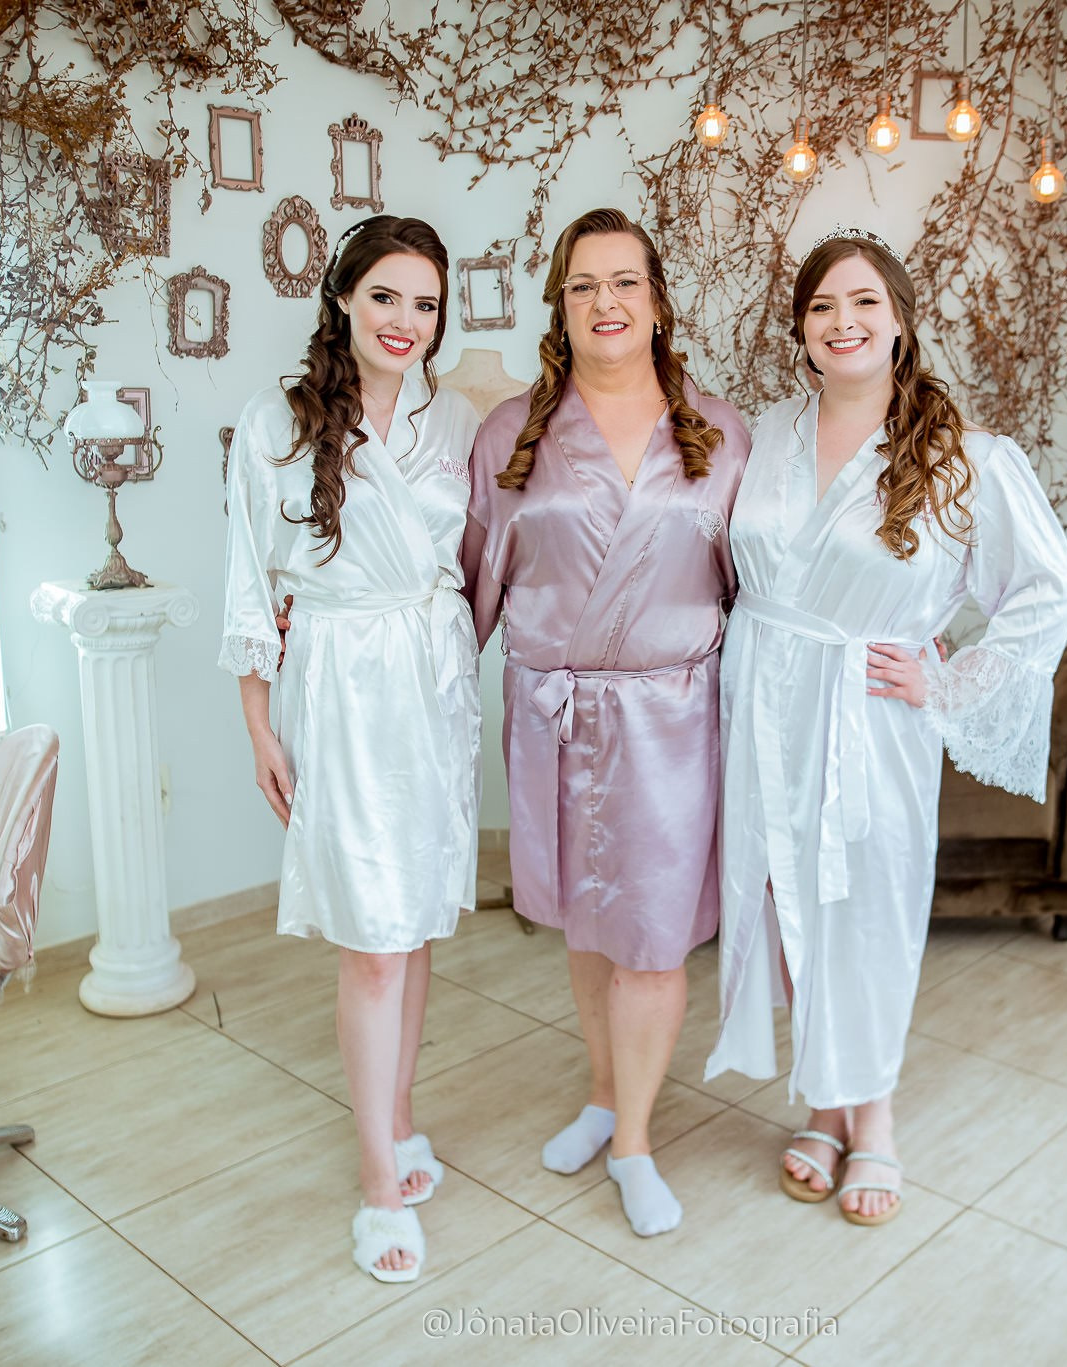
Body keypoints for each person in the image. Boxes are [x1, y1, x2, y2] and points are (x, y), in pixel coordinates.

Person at [703, 228, 1067, 1226]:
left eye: (864, 301)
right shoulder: (766, 434)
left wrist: (947, 681)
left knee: (865, 906)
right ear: (800, 327)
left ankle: (871, 1118)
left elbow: (1047, 589)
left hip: (869, 712)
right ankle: (823, 1104)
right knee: (788, 896)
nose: (843, 321)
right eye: (822, 305)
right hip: (764, 703)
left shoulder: (966, 456)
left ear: (901, 320)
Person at [461, 208, 750, 1238]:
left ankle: (632, 1139)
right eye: (582, 284)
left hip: (674, 719)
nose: (605, 302)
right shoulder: (511, 431)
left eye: (624, 281)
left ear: (657, 300)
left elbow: (760, 585)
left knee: (652, 940)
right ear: (560, 304)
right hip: (555, 716)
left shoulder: (719, 431)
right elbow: (464, 586)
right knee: (587, 924)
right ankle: (600, 1092)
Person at [220, 216, 481, 1285]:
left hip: (433, 682)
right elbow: (250, 581)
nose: (404, 322)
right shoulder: (276, 421)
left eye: (425, 304)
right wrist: (258, 726)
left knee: (410, 925)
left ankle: (399, 1118)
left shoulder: (453, 416)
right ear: (340, 297)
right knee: (371, 937)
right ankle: (378, 1182)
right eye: (384, 296)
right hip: (339, 683)